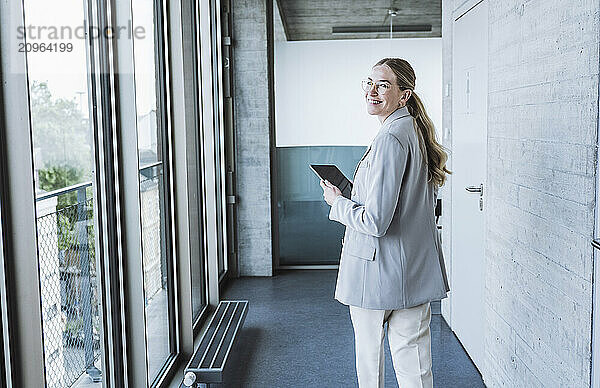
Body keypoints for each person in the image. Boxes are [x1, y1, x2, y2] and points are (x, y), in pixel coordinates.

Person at [320, 58, 451, 388]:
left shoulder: (390, 139)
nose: (372, 91)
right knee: (415, 369)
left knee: (370, 367)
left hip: (376, 276)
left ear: (404, 95)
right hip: (412, 275)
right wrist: (351, 194)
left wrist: (338, 204)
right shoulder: (411, 132)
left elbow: (375, 222)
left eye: (383, 85)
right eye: (370, 83)